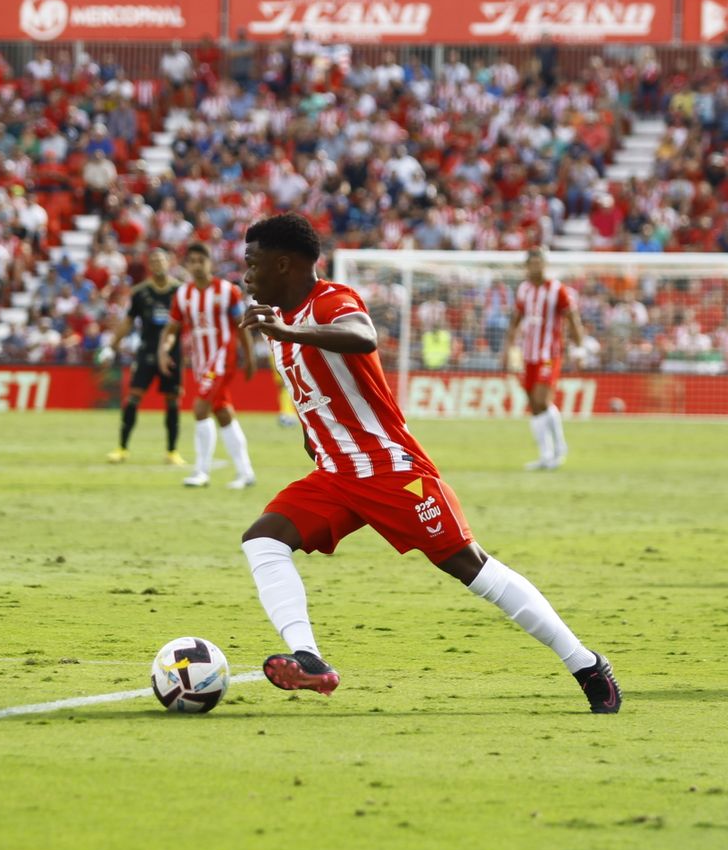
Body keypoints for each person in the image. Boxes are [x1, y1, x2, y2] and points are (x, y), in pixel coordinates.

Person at [235, 212, 621, 713]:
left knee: (470, 566)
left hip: (391, 471)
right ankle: (309, 659)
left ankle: (586, 664)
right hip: (335, 475)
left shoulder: (329, 300)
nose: (246, 275)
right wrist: (314, 435)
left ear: (284, 264)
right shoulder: (276, 324)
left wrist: (291, 332)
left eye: (253, 263)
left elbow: (362, 335)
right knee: (263, 539)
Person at [158, 241, 257, 488]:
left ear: (210, 263)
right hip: (201, 363)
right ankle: (245, 473)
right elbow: (172, 329)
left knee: (200, 408)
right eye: (192, 261)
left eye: (201, 261)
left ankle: (201, 472)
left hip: (223, 358)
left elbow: (241, 326)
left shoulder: (227, 291)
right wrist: (164, 350)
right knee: (222, 412)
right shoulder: (183, 294)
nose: (197, 266)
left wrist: (250, 357)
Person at [502, 247, 585, 470]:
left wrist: (580, 350)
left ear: (545, 265)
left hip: (549, 354)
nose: (535, 268)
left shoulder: (557, 289)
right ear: (526, 266)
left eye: (539, 263)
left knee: (542, 400)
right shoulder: (524, 290)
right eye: (532, 264)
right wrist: (508, 348)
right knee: (534, 405)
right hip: (529, 355)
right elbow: (515, 321)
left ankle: (560, 446)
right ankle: (546, 455)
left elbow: (573, 319)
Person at [108, 248, 185, 466]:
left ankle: (172, 451)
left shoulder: (180, 291)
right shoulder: (140, 292)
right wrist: (114, 343)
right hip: (147, 351)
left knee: (172, 400)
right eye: (153, 261)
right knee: (133, 396)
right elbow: (128, 321)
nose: (157, 264)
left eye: (161, 260)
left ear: (168, 262)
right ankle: (122, 448)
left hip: (172, 353)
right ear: (149, 266)